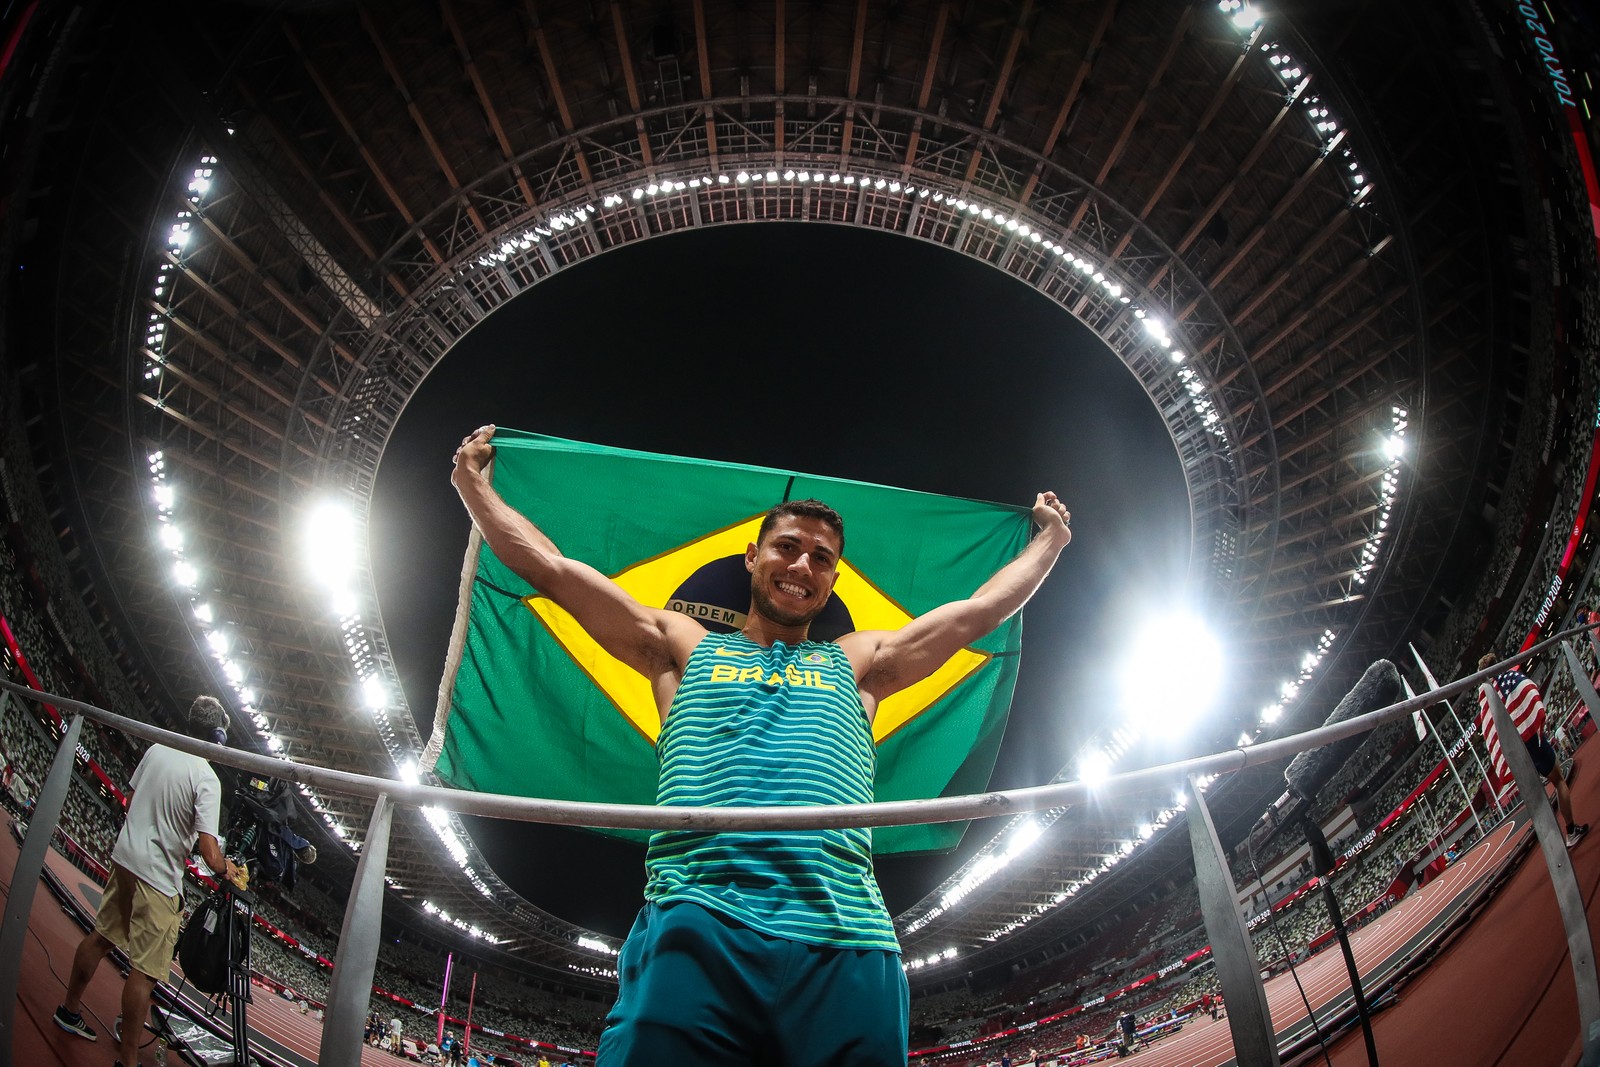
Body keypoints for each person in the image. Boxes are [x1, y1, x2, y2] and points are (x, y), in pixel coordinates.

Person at [451, 424, 1073, 1067]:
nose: (803, 565)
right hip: (700, 919)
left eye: (822, 558)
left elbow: (979, 612)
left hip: (845, 934)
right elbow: (552, 570)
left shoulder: (858, 662)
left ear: (832, 580)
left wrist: (1051, 540)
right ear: (753, 556)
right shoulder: (682, 645)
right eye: (788, 547)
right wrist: (473, 486)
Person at [52, 695, 242, 1067]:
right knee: (145, 973)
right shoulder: (206, 777)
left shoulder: (157, 749)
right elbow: (208, 849)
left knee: (101, 937)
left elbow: (131, 798)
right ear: (218, 737)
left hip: (126, 858)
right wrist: (226, 869)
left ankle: (69, 1009)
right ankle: (127, 1060)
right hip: (157, 878)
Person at [1476, 652, 1589, 847]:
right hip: (1531, 741)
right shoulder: (1510, 680)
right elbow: (1530, 694)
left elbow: (1490, 732)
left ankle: (1553, 848)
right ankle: (1571, 832)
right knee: (1559, 781)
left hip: (1516, 752)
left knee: (1537, 802)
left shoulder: (1487, 701)